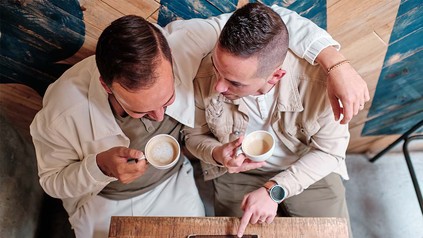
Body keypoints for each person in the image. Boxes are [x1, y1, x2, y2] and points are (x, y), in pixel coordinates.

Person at [30, 5, 364, 238]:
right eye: (140, 111)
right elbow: (52, 183)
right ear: (107, 87)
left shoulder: (187, 45)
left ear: (172, 59)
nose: (160, 118)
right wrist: (99, 167)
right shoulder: (62, 112)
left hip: (289, 169)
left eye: (167, 101)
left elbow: (275, 21)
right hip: (106, 198)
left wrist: (336, 62)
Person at [184, 3, 353, 238]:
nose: (218, 86)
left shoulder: (321, 84)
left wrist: (274, 190)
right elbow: (192, 136)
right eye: (216, 68)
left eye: (235, 82)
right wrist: (217, 154)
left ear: (276, 76)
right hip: (236, 174)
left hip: (307, 166)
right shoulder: (201, 72)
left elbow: (331, 152)